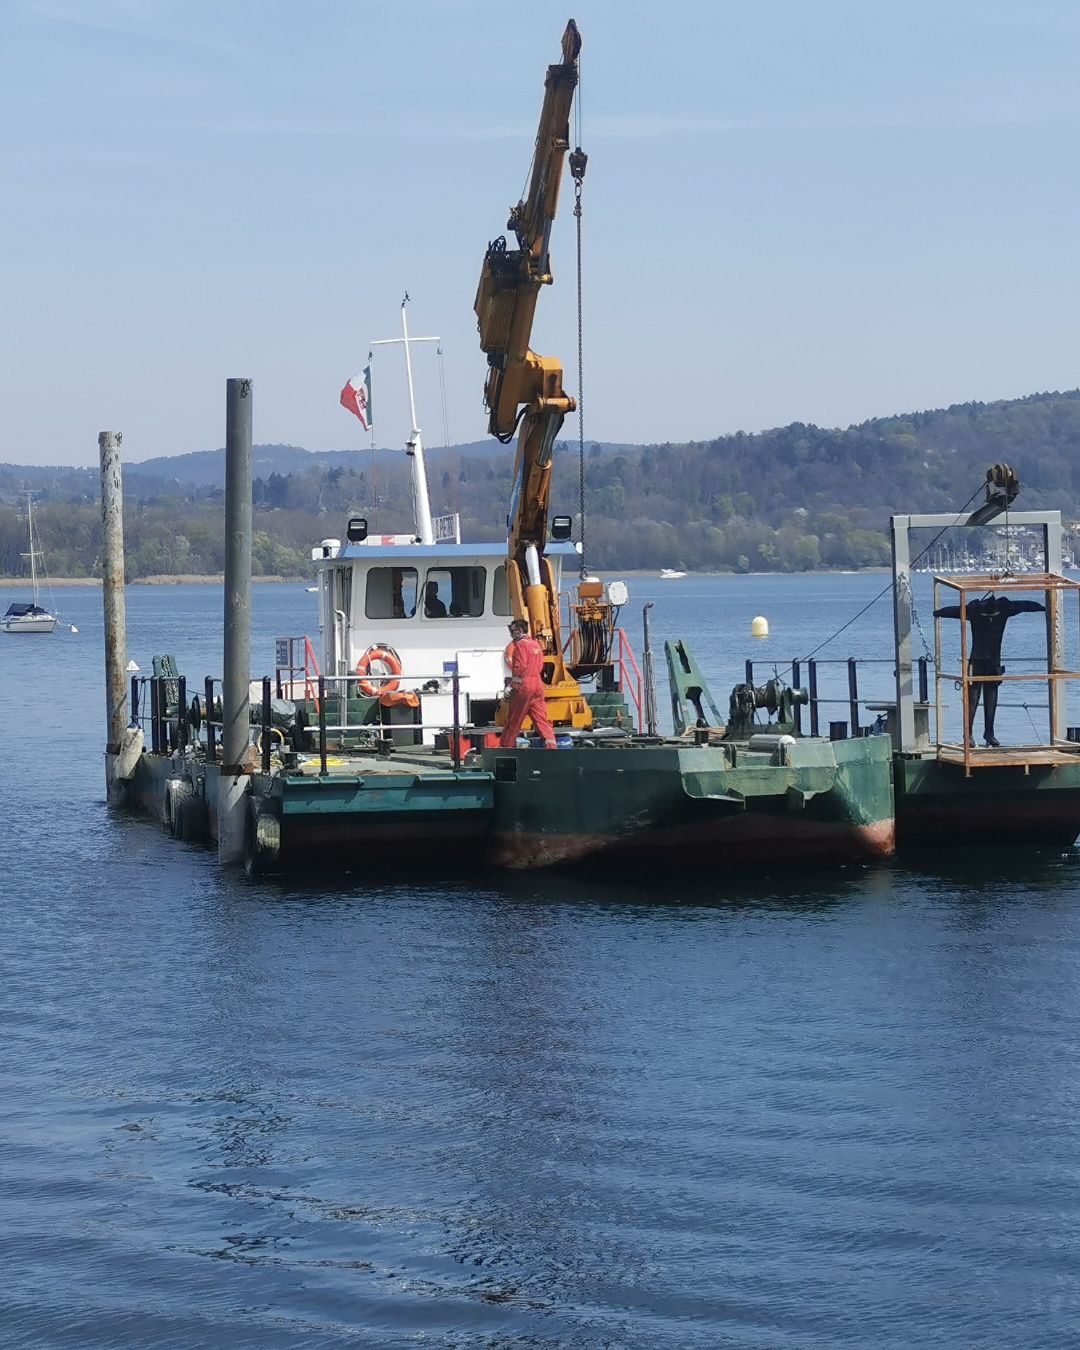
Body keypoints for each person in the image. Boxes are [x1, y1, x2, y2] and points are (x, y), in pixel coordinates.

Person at [933, 593, 1045, 746]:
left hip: (993, 662)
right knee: (972, 700)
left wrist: (1043, 608)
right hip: (977, 661)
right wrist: (938, 612)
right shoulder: (975, 610)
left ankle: (989, 732)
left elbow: (1025, 605)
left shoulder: (1003, 608)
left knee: (990, 699)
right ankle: (968, 734)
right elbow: (954, 611)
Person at [499, 618, 557, 749]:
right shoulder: (535, 644)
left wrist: (511, 685)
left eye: (512, 631)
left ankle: (506, 748)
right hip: (538, 685)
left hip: (524, 686)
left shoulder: (520, 645)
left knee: (514, 719)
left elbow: (520, 667)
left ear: (519, 631)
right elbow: (540, 665)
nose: (511, 634)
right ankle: (552, 748)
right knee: (541, 719)